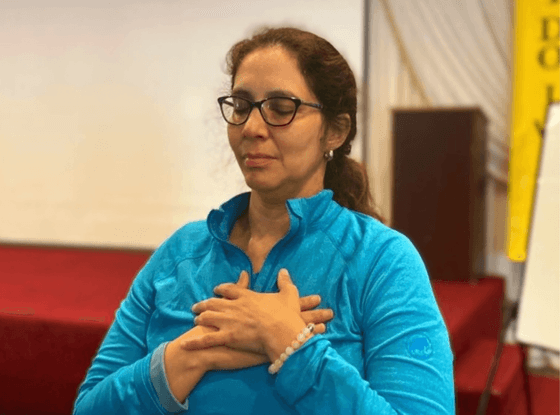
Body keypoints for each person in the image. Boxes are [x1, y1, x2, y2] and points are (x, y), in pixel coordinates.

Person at [73, 27, 455, 414]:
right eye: (241, 106)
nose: (252, 128)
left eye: (280, 107)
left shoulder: (381, 260)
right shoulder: (180, 253)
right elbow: (88, 408)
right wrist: (192, 353)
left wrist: (288, 341)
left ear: (335, 131)